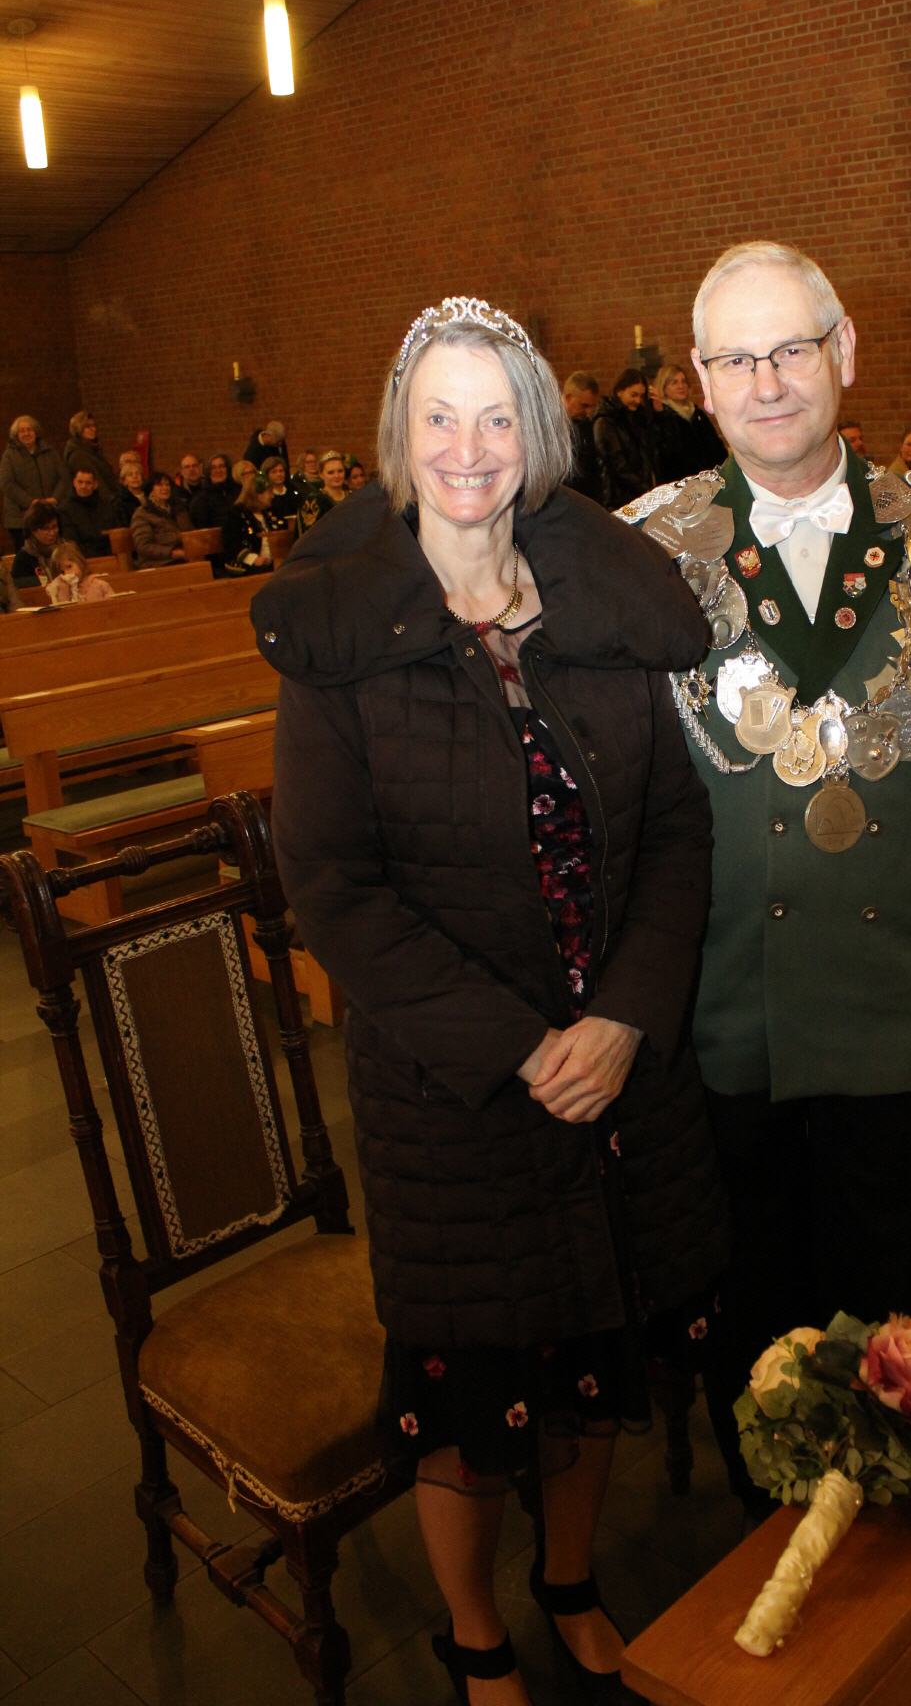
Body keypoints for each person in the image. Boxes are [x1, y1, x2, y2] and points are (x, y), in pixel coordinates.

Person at [254, 295, 727, 1706]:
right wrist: (525, 1049)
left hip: (616, 1064)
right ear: (399, 440)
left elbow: (676, 831)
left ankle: (570, 1583)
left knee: (589, 1360)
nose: (469, 448)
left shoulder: (597, 611)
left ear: (538, 436)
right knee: (471, 1400)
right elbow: (334, 888)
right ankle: (473, 1634)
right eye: (439, 417)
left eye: (497, 416)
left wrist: (624, 1017)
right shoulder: (345, 640)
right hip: (453, 1092)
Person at [618, 240, 911, 1515]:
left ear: (842, 351)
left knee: (879, 1302)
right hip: (721, 1003)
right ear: (700, 381)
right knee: (745, 1308)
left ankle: (870, 1542)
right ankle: (767, 1535)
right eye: (734, 359)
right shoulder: (649, 548)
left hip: (892, 994)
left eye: (789, 350)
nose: (765, 384)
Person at [592, 370, 655, 511]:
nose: (638, 401)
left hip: (636, 493)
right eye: (633, 395)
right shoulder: (606, 421)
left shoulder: (636, 418)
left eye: (641, 396)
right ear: (619, 391)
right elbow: (616, 464)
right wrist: (644, 488)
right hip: (618, 496)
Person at [650, 364, 721, 485]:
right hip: (678, 484)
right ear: (664, 387)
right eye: (674, 383)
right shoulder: (662, 416)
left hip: (708, 481)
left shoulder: (697, 413)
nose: (681, 386)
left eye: (683, 382)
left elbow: (715, 445)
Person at [2, 416, 64, 549]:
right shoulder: (9, 456)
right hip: (21, 518)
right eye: (22, 431)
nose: (26, 433)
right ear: (16, 435)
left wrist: (55, 498)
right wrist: (30, 502)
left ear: (36, 432)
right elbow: (7, 484)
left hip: (49, 514)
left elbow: (63, 478)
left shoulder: (50, 452)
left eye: (29, 429)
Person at [224, 471, 290, 572]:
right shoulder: (237, 514)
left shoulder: (271, 511)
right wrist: (253, 559)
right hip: (250, 565)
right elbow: (231, 543)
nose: (272, 496)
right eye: (269, 492)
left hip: (276, 562)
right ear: (257, 495)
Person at [130, 470, 191, 565]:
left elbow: (190, 532)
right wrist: (172, 553)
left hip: (184, 557)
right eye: (159, 485)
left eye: (167, 484)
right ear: (150, 490)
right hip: (158, 562)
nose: (165, 488)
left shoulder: (179, 509)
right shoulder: (142, 514)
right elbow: (144, 546)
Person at [561, 373, 603, 503]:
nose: (589, 412)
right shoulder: (550, 427)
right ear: (568, 398)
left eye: (592, 407)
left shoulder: (585, 424)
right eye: (584, 405)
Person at [60, 467, 115, 556]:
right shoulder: (65, 509)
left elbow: (113, 533)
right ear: (74, 483)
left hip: (110, 554)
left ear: (95, 485)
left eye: (88, 483)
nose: (83, 486)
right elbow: (71, 540)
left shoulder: (107, 505)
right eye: (80, 482)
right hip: (83, 557)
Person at [63, 410, 119, 498]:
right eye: (88, 426)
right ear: (79, 429)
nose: (93, 429)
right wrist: (111, 500)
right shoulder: (78, 455)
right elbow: (96, 482)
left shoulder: (92, 450)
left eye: (94, 425)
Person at [295, 449, 349, 534]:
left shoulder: (353, 497)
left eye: (340, 471)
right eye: (331, 472)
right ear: (321, 474)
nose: (337, 476)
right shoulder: (313, 501)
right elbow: (308, 535)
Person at [11, 501, 62, 589]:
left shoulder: (66, 549)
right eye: (45, 528)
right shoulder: (24, 557)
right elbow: (19, 588)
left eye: (54, 527)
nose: (52, 533)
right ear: (33, 530)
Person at [47, 542, 115, 604]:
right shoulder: (61, 590)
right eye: (62, 572)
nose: (67, 573)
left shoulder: (100, 585)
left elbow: (114, 606)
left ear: (79, 562)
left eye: (69, 566)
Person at [190, 452, 239, 529]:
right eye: (213, 468)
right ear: (209, 472)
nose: (218, 470)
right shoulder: (201, 500)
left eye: (221, 466)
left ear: (228, 469)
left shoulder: (238, 492)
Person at [111, 451, 149, 528]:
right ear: (124, 481)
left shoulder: (150, 496)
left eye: (137, 473)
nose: (135, 477)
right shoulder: (119, 501)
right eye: (130, 475)